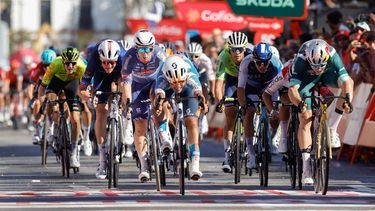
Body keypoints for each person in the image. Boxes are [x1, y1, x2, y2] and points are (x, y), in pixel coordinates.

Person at [288, 39, 354, 185]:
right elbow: (292, 90)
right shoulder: (301, 60)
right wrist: (300, 103)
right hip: (306, 78)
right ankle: (306, 168)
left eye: (321, 65)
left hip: (328, 74)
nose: (318, 68)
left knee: (347, 84)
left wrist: (348, 99)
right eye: (315, 65)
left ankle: (332, 129)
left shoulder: (332, 54)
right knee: (305, 116)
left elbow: (347, 81)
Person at [121, 29, 166, 182]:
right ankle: (144, 165)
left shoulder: (160, 53)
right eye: (141, 49)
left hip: (155, 82)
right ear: (136, 48)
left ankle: (163, 135)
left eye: (148, 49)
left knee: (158, 101)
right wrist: (128, 102)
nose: (145, 53)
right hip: (137, 87)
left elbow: (166, 75)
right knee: (139, 125)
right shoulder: (129, 57)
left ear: (153, 47)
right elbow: (126, 82)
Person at [154, 55, 207, 180]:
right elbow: (159, 94)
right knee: (159, 104)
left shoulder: (190, 73)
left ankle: (195, 163)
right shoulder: (162, 77)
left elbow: (198, 91)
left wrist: (201, 100)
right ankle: (164, 136)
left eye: (180, 82)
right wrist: (159, 104)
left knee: (192, 121)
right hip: (167, 89)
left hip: (188, 89)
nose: (178, 86)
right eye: (174, 83)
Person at [80, 39, 126, 179]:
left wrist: (125, 100)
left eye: (111, 62)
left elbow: (128, 82)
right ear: (100, 58)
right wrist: (88, 97)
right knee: (100, 111)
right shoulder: (94, 57)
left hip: (119, 77)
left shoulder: (123, 57)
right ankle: (102, 159)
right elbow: (83, 86)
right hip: (100, 79)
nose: (108, 65)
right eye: (105, 62)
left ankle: (124, 125)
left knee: (119, 87)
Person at [38, 47, 86, 168]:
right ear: (62, 62)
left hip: (72, 84)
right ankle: (53, 127)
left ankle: (74, 152)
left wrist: (87, 98)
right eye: (67, 64)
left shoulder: (81, 66)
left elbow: (87, 86)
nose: (70, 66)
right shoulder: (55, 64)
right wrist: (42, 101)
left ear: (76, 62)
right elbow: (43, 87)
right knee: (53, 101)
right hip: (56, 82)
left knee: (75, 119)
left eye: (73, 64)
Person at [238, 42, 283, 168]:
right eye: (258, 63)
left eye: (265, 62)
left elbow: (282, 84)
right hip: (251, 88)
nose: (262, 66)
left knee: (275, 114)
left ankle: (273, 136)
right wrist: (243, 105)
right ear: (254, 59)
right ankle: (251, 154)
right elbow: (240, 88)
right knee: (249, 112)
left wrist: (276, 107)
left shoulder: (276, 63)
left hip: (270, 88)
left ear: (270, 59)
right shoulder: (246, 62)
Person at [214, 31, 251, 172]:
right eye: (233, 49)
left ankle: (253, 144)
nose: (236, 52)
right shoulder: (223, 57)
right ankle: (227, 156)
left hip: (248, 82)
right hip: (231, 81)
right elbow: (219, 83)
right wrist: (219, 101)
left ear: (245, 48)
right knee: (230, 116)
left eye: (240, 49)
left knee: (250, 110)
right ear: (228, 49)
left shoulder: (250, 55)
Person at [29, 49, 57, 144]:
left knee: (54, 103)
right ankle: (37, 131)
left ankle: (53, 126)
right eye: (45, 65)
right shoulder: (38, 68)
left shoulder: (58, 67)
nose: (47, 67)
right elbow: (32, 86)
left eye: (50, 65)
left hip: (54, 86)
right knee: (36, 104)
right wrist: (31, 99)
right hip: (41, 86)